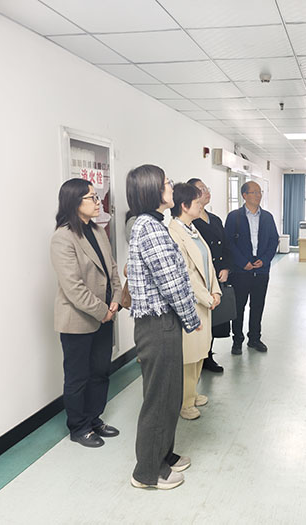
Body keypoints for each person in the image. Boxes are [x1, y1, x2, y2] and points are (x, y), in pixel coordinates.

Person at [126, 164, 200, 490]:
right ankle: (147, 472)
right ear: (152, 190)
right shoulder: (150, 229)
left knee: (169, 395)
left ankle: (163, 455)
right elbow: (171, 283)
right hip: (158, 325)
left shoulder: (153, 224)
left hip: (162, 322)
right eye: (167, 183)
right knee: (159, 399)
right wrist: (191, 318)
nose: (171, 187)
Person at [50, 178, 122, 448]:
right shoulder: (63, 237)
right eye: (91, 198)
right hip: (78, 320)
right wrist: (103, 311)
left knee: (100, 371)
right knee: (78, 376)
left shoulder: (98, 230)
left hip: (106, 315)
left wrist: (116, 300)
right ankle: (79, 427)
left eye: (96, 196)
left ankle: (94, 419)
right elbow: (73, 287)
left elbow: (112, 269)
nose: (97, 202)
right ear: (74, 202)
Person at [168, 183, 221, 420]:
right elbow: (186, 273)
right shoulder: (174, 232)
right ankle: (184, 402)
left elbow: (208, 262)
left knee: (201, 350)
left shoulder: (192, 229)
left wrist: (216, 291)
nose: (201, 206)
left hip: (206, 301)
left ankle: (192, 392)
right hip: (191, 302)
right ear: (184, 205)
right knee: (189, 355)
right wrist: (207, 297)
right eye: (198, 203)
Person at [225, 181, 279, 354]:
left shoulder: (267, 217)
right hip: (241, 270)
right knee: (238, 306)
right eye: (254, 192)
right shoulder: (234, 216)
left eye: (259, 192)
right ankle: (237, 340)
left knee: (257, 306)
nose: (258, 195)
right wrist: (242, 262)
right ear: (244, 195)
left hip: (261, 269)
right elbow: (228, 243)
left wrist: (265, 260)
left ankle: (254, 338)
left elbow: (274, 240)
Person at [187, 177, 231, 373]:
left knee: (215, 318)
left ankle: (208, 355)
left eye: (206, 188)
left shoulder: (215, 219)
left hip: (217, 276)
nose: (206, 192)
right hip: (200, 277)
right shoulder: (190, 222)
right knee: (202, 318)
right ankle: (200, 356)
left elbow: (226, 246)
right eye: (201, 189)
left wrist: (226, 268)